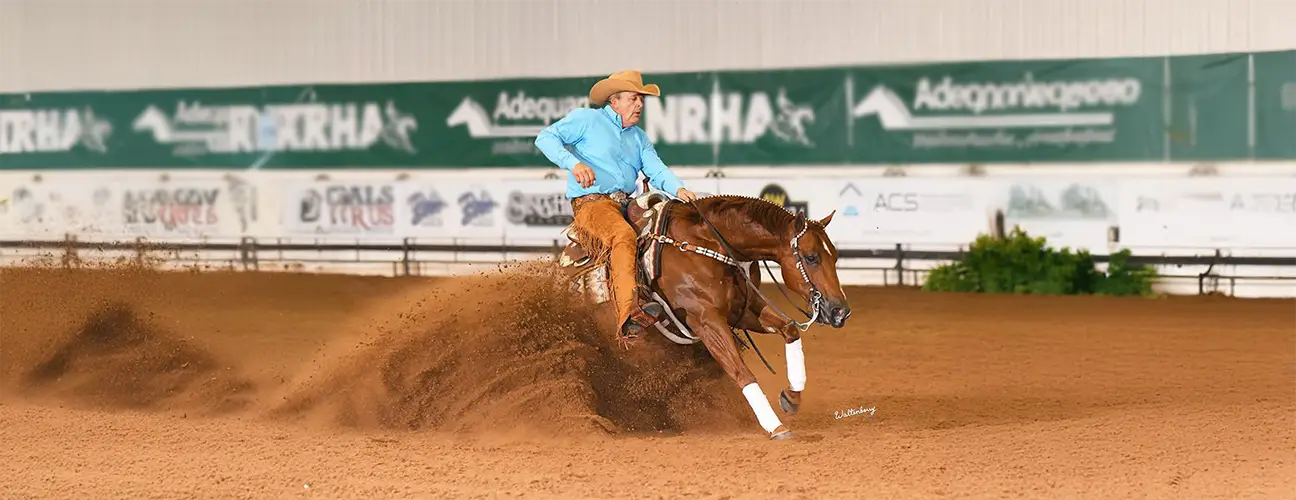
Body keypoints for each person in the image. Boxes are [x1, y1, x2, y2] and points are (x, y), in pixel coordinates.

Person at [534, 70, 699, 341]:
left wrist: (679, 189)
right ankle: (629, 314)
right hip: (593, 204)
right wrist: (574, 164)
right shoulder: (587, 119)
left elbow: (656, 169)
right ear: (614, 101)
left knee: (667, 231)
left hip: (627, 204)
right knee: (623, 236)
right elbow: (545, 137)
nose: (640, 105)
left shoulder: (638, 137)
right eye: (634, 98)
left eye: (641, 100)